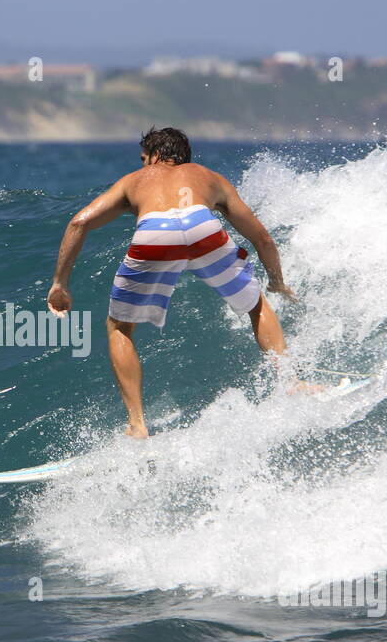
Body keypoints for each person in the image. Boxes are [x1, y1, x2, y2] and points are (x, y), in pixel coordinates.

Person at [46, 126, 302, 438]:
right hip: (202, 225)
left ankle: (138, 425)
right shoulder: (208, 176)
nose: (143, 164)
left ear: (155, 156)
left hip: (154, 234)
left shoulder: (133, 181)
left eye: (144, 158)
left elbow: (79, 222)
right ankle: (291, 383)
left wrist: (60, 283)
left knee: (120, 328)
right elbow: (261, 237)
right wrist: (276, 280)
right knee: (256, 304)